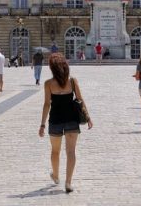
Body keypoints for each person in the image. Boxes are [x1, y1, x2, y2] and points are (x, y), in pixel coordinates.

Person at [39, 53, 93, 194]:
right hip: (71, 119)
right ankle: (68, 182)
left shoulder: (48, 84)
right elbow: (80, 100)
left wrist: (42, 124)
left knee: (55, 151)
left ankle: (56, 176)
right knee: (71, 152)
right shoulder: (72, 81)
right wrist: (88, 118)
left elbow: (46, 105)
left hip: (55, 120)